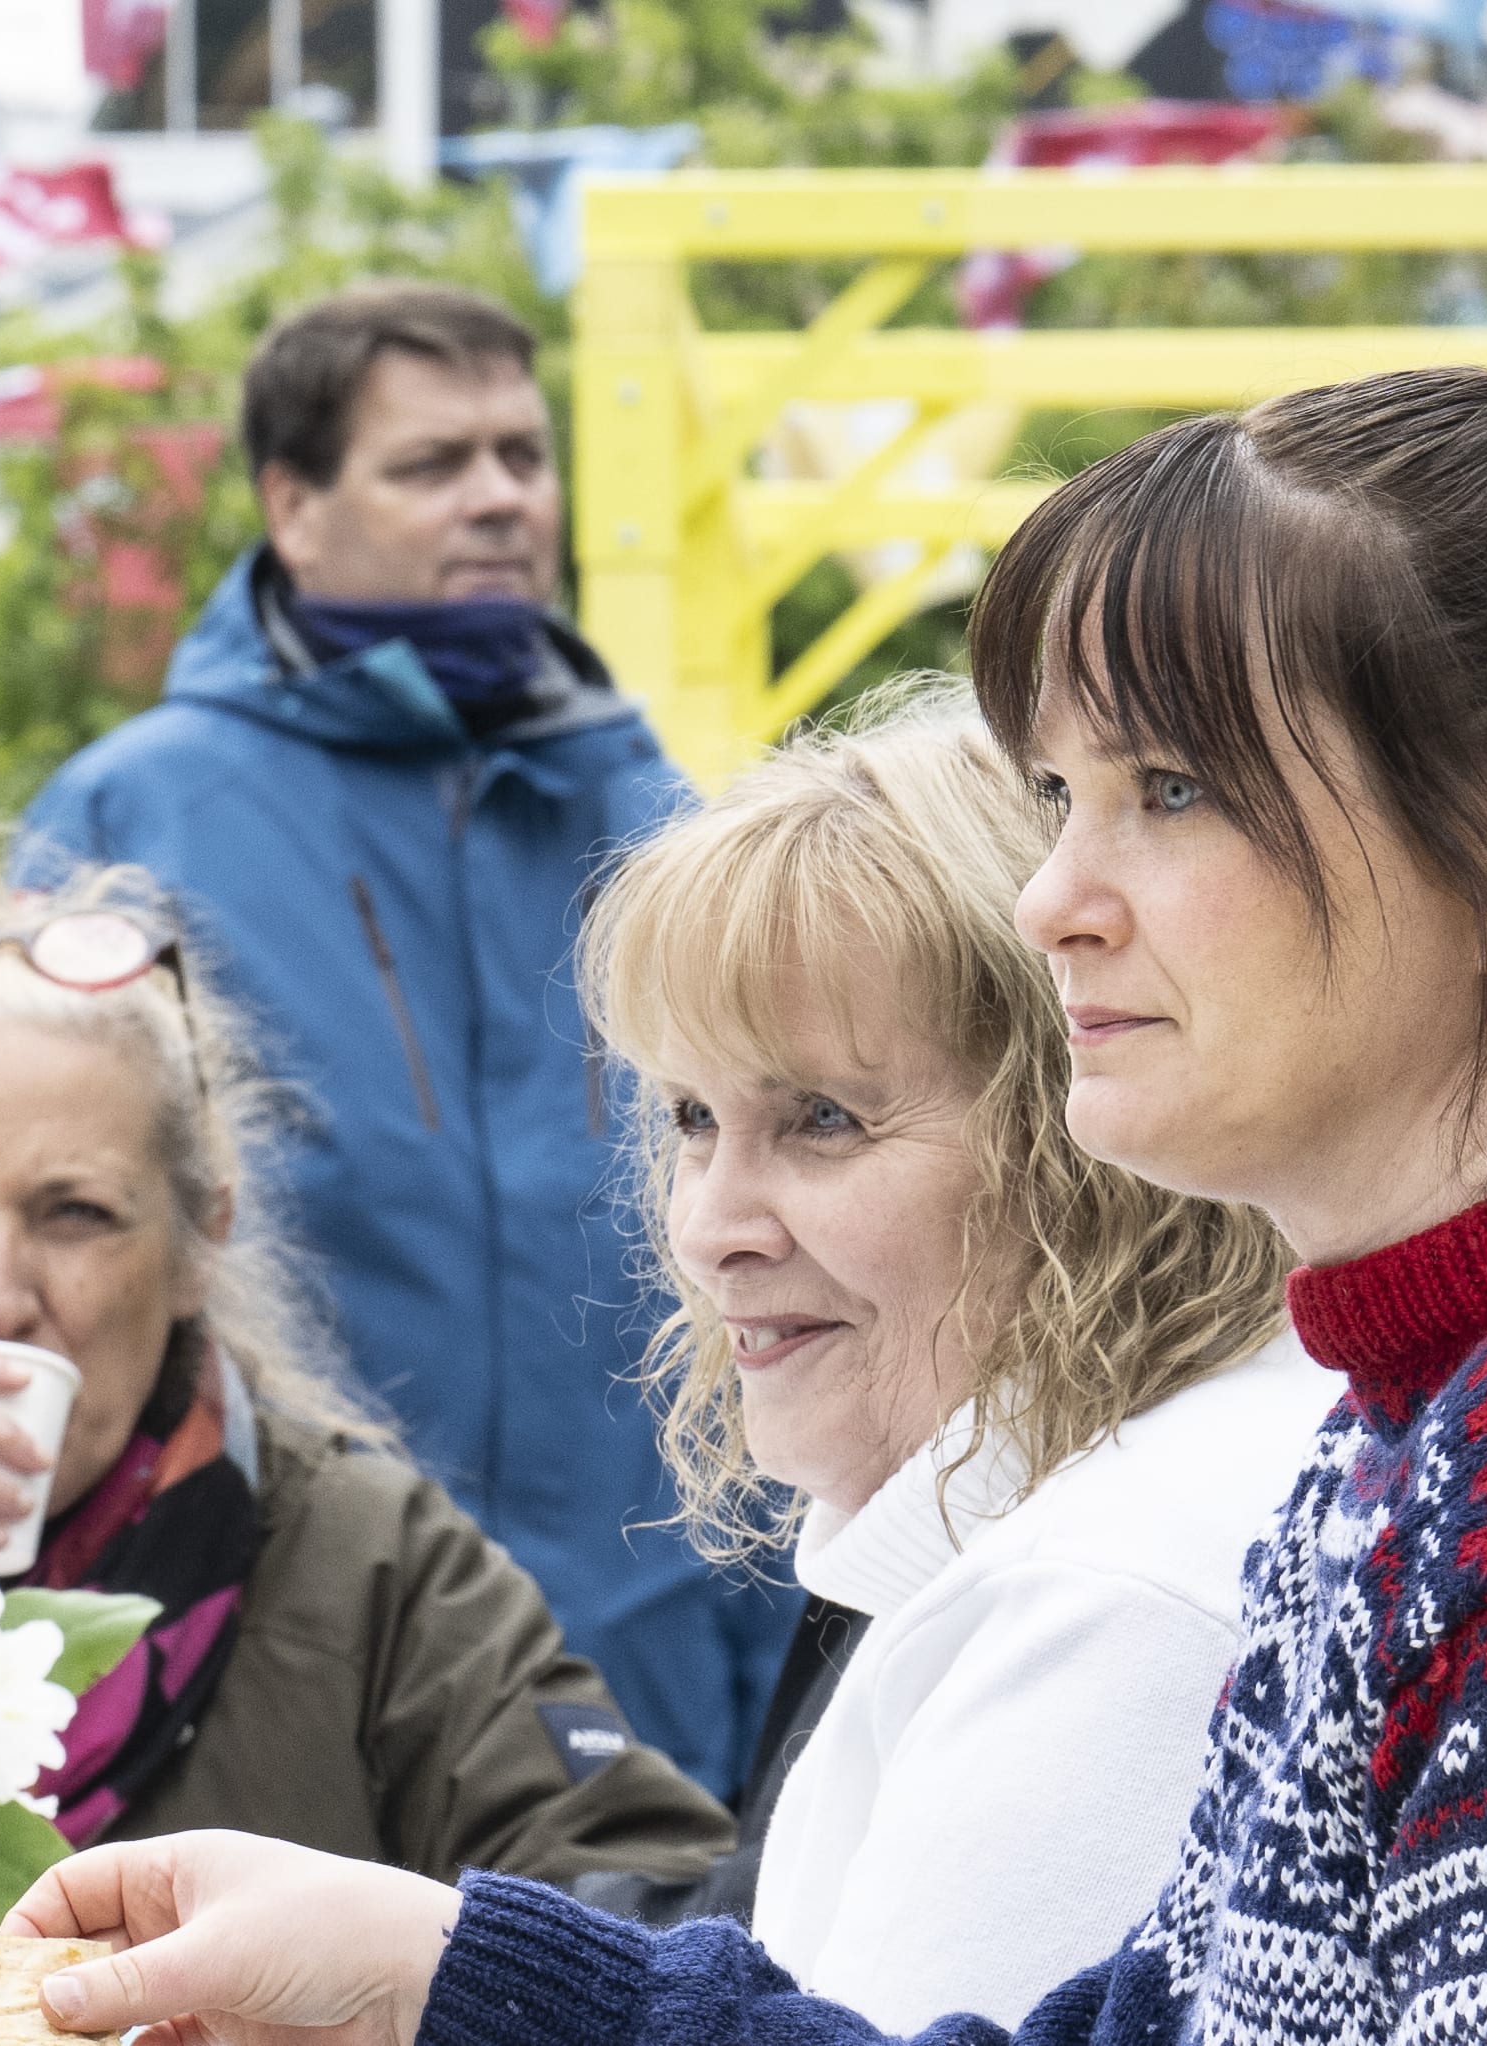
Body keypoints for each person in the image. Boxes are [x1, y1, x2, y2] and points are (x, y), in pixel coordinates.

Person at [0, 366, 1487, 2044]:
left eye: (1170, 787)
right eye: (1055, 797)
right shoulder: (1392, 1454)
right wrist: (432, 1974)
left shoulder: (1479, 1508)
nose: (1053, 901)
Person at [0, 863, 737, 1908]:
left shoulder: (365, 1566)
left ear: (196, 1239)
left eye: (75, 1214)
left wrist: (386, 1970)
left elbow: (639, 1905)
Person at [17, 283, 791, 1791]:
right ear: (293, 509)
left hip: (643, 1686)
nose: (501, 496)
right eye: (435, 464)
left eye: (523, 453)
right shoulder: (131, 826)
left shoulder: (666, 822)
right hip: (270, 1674)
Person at [561, 694, 1324, 2022]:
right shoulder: (1027, 1512)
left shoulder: (1117, 1586)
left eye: (822, 1118)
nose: (707, 1228)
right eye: (691, 1117)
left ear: (1077, 1133)